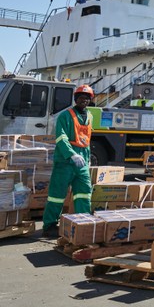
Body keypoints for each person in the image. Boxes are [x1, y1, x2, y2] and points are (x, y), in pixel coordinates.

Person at [42, 84, 95, 238]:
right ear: (75, 99)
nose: (83, 100)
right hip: (65, 161)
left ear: (90, 100)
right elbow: (61, 137)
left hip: (82, 160)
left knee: (84, 192)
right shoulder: (65, 115)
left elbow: (86, 139)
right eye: (80, 98)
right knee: (57, 194)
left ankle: (82, 221)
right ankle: (50, 225)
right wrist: (71, 155)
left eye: (86, 98)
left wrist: (87, 158)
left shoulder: (90, 116)